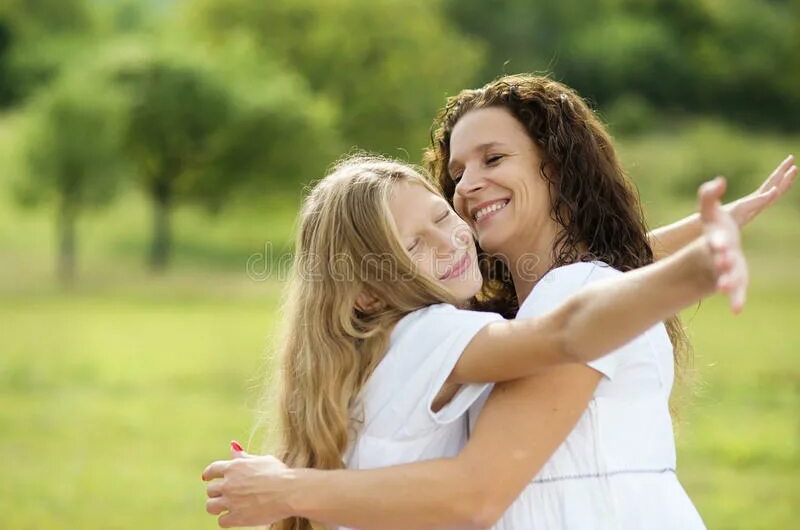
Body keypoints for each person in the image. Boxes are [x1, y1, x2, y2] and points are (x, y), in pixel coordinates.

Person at [203, 75, 796, 529]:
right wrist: (696, 268)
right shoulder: (435, 332)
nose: (464, 189)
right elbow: (570, 320)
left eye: (492, 159)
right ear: (370, 285)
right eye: (456, 173)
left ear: (556, 165)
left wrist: (701, 236)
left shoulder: (444, 324)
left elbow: (591, 286)